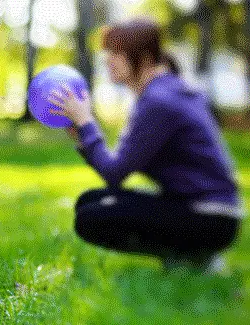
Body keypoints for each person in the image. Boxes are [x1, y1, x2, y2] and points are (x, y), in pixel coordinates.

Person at [48, 20, 242, 270]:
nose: (108, 60)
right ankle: (190, 254)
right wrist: (81, 133)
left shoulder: (159, 101)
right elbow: (116, 167)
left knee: (92, 218)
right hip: (208, 212)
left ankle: (191, 257)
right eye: (108, 52)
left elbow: (115, 173)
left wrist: (86, 122)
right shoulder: (164, 91)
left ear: (145, 57)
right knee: (91, 201)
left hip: (210, 216)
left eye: (116, 53)